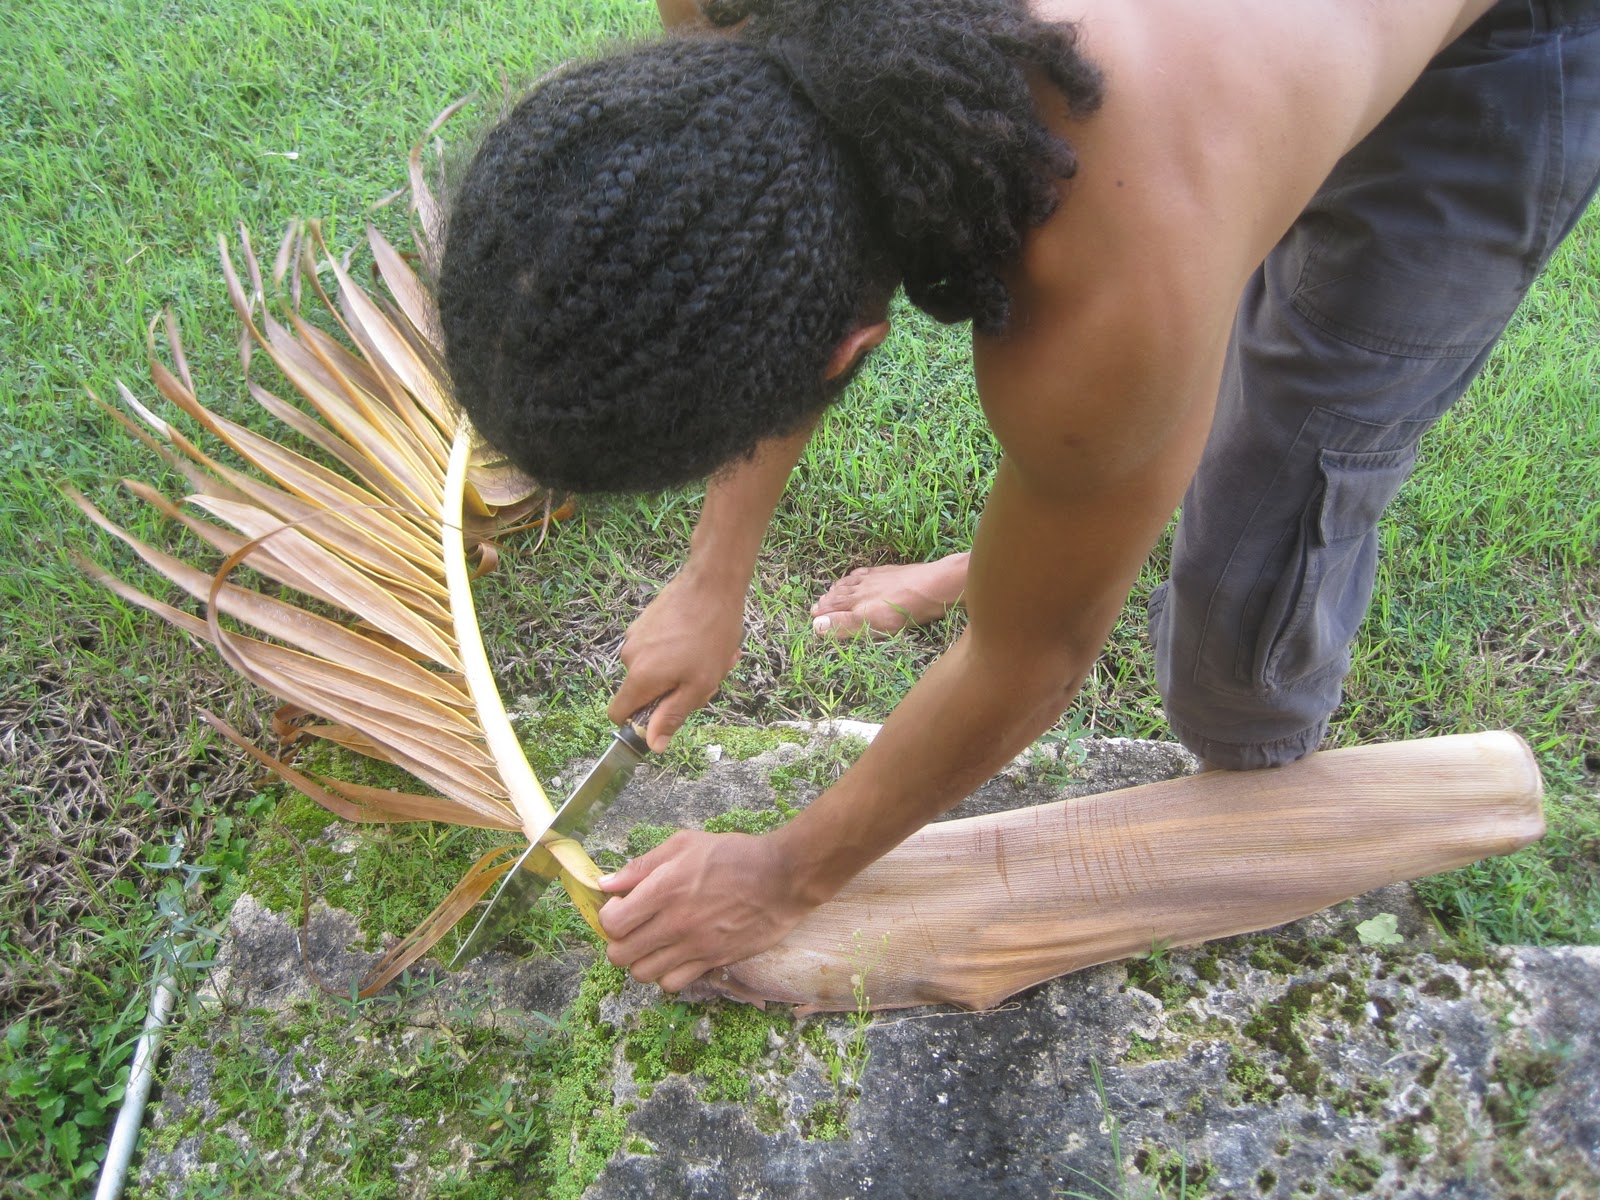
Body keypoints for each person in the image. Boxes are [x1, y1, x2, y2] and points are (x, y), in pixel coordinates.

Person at [438, 0, 1600, 993]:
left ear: (848, 354)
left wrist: (782, 876)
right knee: (1124, 424)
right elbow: (761, 248)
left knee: (1265, 541)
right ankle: (1044, 541)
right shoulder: (729, 11)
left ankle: (1239, 749)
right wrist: (713, 574)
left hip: (1496, 53)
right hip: (1213, 88)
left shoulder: (1110, 312)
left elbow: (1029, 661)